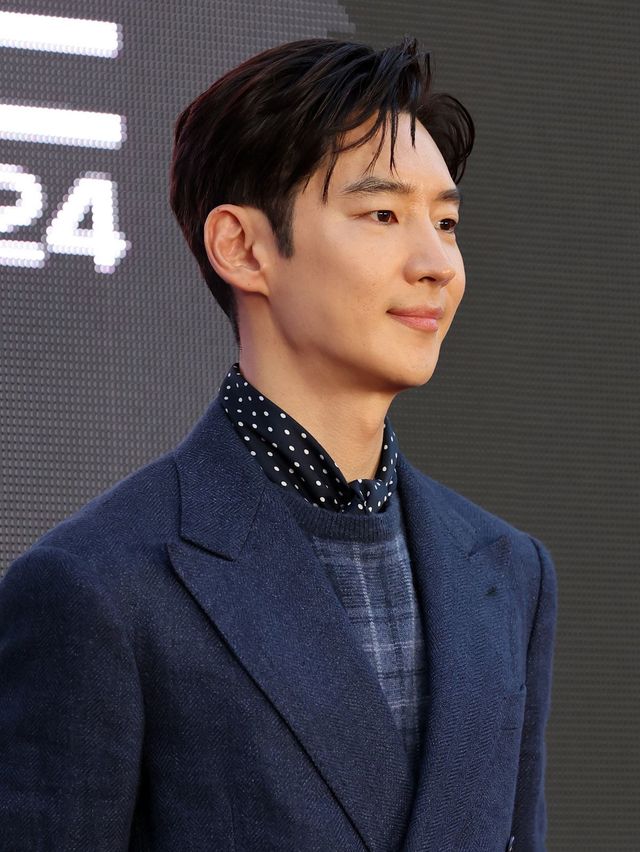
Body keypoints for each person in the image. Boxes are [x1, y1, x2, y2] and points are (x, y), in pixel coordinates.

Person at [0, 36, 557, 852]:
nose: (437, 262)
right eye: (383, 215)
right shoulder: (97, 588)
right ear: (242, 247)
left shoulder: (509, 573)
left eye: (446, 222)